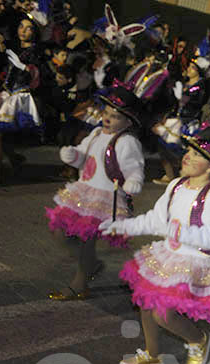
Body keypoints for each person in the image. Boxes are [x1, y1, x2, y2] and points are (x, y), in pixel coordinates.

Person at [100, 127, 210, 364]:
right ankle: (152, 354)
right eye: (188, 151)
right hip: (169, 255)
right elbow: (156, 219)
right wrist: (123, 226)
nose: (188, 156)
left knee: (163, 315)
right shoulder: (176, 185)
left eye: (197, 155)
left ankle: (198, 340)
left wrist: (181, 233)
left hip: (199, 261)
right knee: (145, 300)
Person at [44, 85, 145, 299]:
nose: (108, 118)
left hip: (105, 197)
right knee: (59, 230)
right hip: (82, 192)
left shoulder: (127, 142)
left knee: (86, 238)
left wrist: (134, 181)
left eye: (115, 116)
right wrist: (73, 156)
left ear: (128, 122)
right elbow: (85, 156)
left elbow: (135, 168)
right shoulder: (97, 132)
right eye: (106, 113)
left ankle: (80, 282)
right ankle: (91, 265)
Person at [0, 16, 43, 185]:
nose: (23, 30)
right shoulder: (15, 46)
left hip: (19, 96)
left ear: (35, 32)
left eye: (28, 28)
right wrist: (2, 49)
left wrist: (22, 66)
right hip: (6, 93)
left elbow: (32, 76)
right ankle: (13, 157)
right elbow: (0, 65)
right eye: (21, 26)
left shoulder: (35, 51)